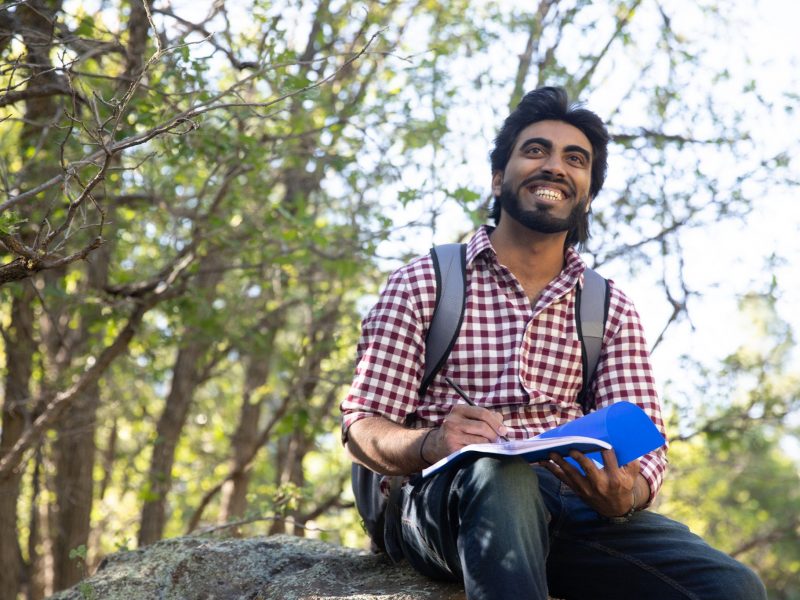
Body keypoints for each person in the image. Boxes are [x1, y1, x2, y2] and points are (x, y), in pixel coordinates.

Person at [340, 86, 766, 600]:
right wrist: (432, 443)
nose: (555, 167)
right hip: (442, 504)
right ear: (499, 179)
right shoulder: (424, 282)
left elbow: (645, 446)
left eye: (575, 159)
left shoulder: (610, 308)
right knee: (498, 474)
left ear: (586, 192)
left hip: (570, 509)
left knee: (731, 586)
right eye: (535, 150)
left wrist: (624, 492)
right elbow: (362, 426)